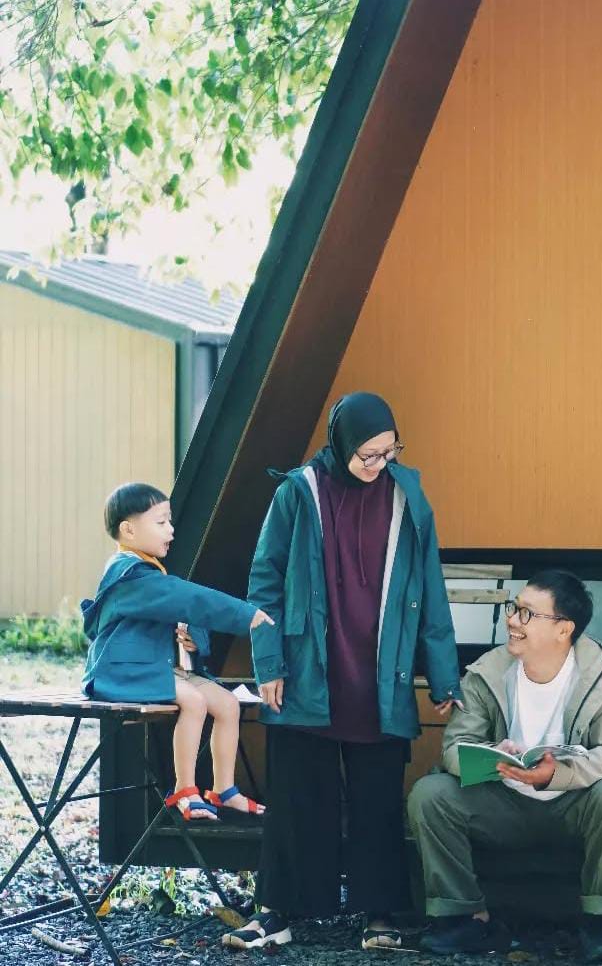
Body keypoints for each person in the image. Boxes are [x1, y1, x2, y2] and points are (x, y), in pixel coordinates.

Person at [223, 391, 462, 953]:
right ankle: (278, 912)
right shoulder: (298, 492)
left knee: (378, 799)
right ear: (341, 443)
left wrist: (444, 675)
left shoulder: (408, 496)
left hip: (382, 676)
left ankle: (380, 916)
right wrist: (268, 663)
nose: (379, 465)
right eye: (368, 455)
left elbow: (430, 587)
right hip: (307, 669)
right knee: (298, 796)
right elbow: (265, 581)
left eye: (389, 452)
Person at [407, 569, 602, 965]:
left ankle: (600, 923)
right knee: (430, 795)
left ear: (563, 629)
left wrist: (557, 774)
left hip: (573, 804)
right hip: (501, 802)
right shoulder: (487, 673)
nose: (512, 620)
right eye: (513, 608)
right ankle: (462, 917)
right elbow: (454, 748)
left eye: (526, 613)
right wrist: (493, 756)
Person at [82, 483, 274, 822]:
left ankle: (224, 790)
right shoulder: (128, 575)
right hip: (121, 670)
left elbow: (183, 614)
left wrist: (193, 640)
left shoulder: (148, 571)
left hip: (156, 666)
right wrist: (244, 614)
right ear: (128, 530)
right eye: (160, 522)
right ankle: (185, 790)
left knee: (227, 704)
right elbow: (188, 599)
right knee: (195, 702)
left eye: (169, 521)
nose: (171, 530)